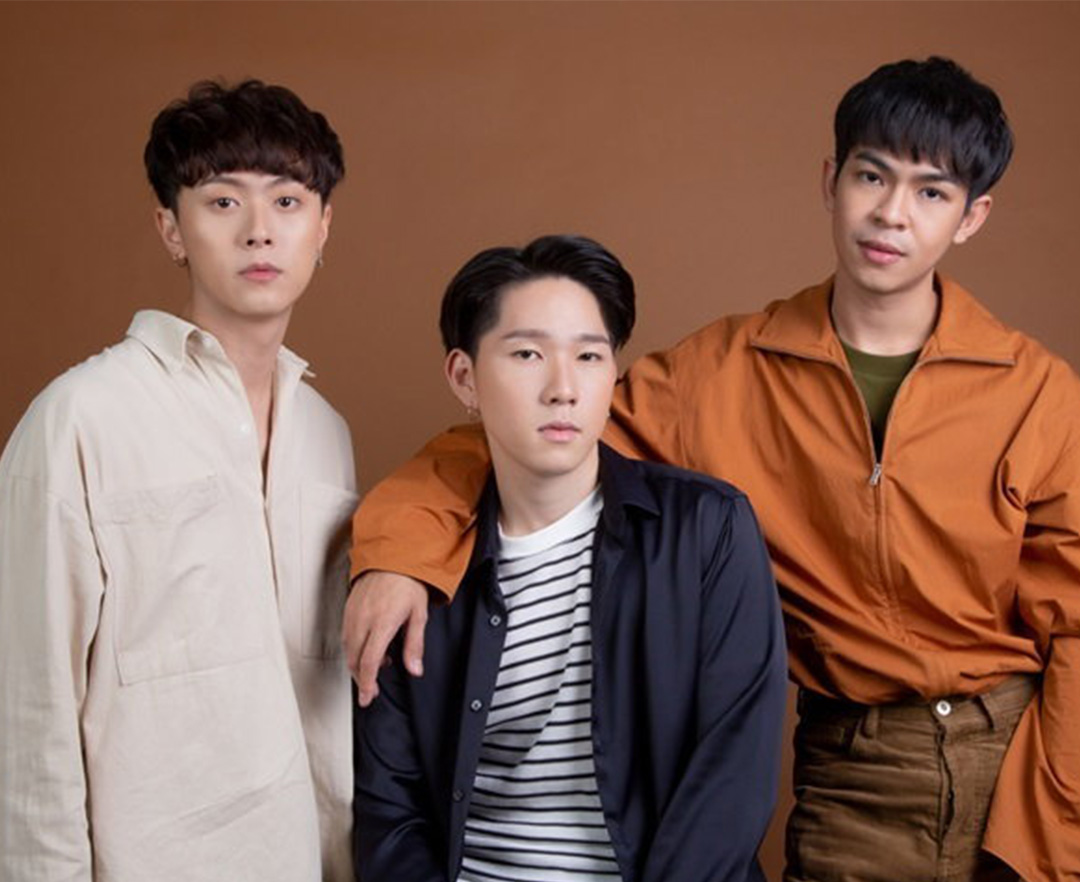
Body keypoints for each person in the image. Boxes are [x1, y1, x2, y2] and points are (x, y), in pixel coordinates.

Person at [344, 58, 1080, 882]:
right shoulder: (722, 372)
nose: (891, 214)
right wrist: (399, 552)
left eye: (932, 192)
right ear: (831, 180)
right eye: (871, 176)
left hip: (1019, 758)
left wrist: (1047, 837)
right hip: (853, 769)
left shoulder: (1038, 392)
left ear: (973, 217)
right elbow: (534, 437)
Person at [0, 80, 357, 881]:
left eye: (288, 201)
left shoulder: (326, 435)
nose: (260, 229)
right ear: (171, 228)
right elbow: (28, 710)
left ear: (323, 228)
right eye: (223, 201)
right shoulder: (82, 417)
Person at [353, 235, 786, 882]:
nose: (563, 388)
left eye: (588, 356)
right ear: (465, 377)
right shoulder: (412, 567)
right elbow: (390, 807)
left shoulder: (706, 529)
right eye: (527, 354)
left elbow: (733, 777)